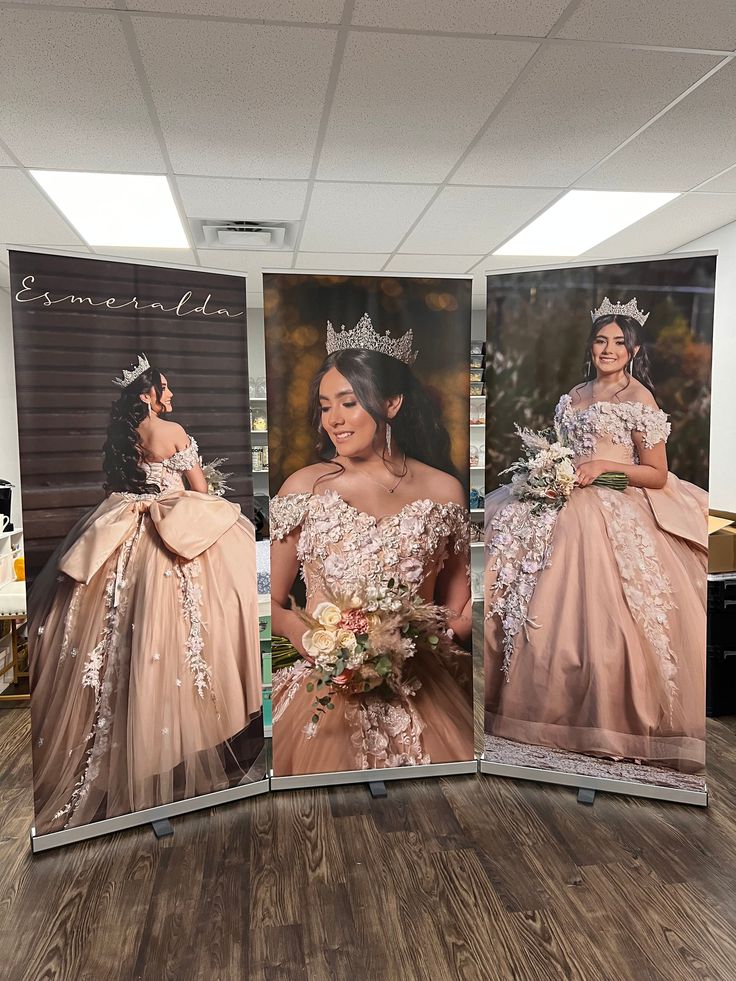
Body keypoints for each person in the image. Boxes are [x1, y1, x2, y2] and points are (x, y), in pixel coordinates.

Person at [29, 355, 262, 834]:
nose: (170, 395)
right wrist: (208, 500)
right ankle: (183, 744)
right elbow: (199, 489)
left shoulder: (117, 438)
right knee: (192, 619)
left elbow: (117, 486)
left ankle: (115, 748)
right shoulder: (171, 430)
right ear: (145, 394)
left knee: (109, 626)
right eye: (164, 387)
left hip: (119, 528)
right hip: (169, 529)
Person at [484, 298, 708, 775]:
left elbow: (657, 475)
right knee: (517, 549)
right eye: (601, 340)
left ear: (634, 349)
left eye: (619, 343)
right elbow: (563, 451)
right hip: (566, 495)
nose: (608, 349)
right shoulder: (573, 394)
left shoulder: (639, 399)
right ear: (590, 346)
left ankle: (605, 713)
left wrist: (606, 466)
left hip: (614, 502)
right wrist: (552, 472)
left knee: (605, 600)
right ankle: (534, 699)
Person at [270, 315, 474, 775]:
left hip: (423, 685)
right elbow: (267, 601)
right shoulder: (303, 487)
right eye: (325, 407)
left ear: (392, 403)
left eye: (348, 402)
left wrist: (420, 637)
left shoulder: (444, 490)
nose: (334, 420)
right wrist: (306, 636)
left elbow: (462, 606)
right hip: (324, 685)